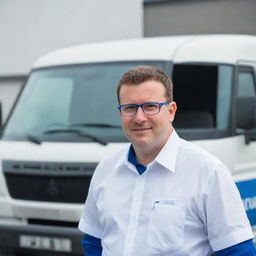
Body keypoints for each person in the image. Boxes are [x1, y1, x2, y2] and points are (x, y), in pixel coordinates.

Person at [78, 65, 256, 255]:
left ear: (171, 111)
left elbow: (237, 251)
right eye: (129, 108)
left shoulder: (207, 171)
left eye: (150, 107)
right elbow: (93, 243)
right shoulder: (106, 169)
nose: (139, 118)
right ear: (120, 113)